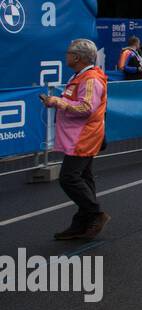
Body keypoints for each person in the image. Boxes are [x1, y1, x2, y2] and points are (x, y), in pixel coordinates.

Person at [39, 38, 110, 239]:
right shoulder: (82, 76)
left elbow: (86, 108)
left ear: (77, 57)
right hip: (80, 135)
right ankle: (82, 223)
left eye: (69, 53)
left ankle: (95, 214)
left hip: (83, 137)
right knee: (84, 178)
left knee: (69, 178)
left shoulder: (90, 79)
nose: (66, 56)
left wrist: (57, 102)